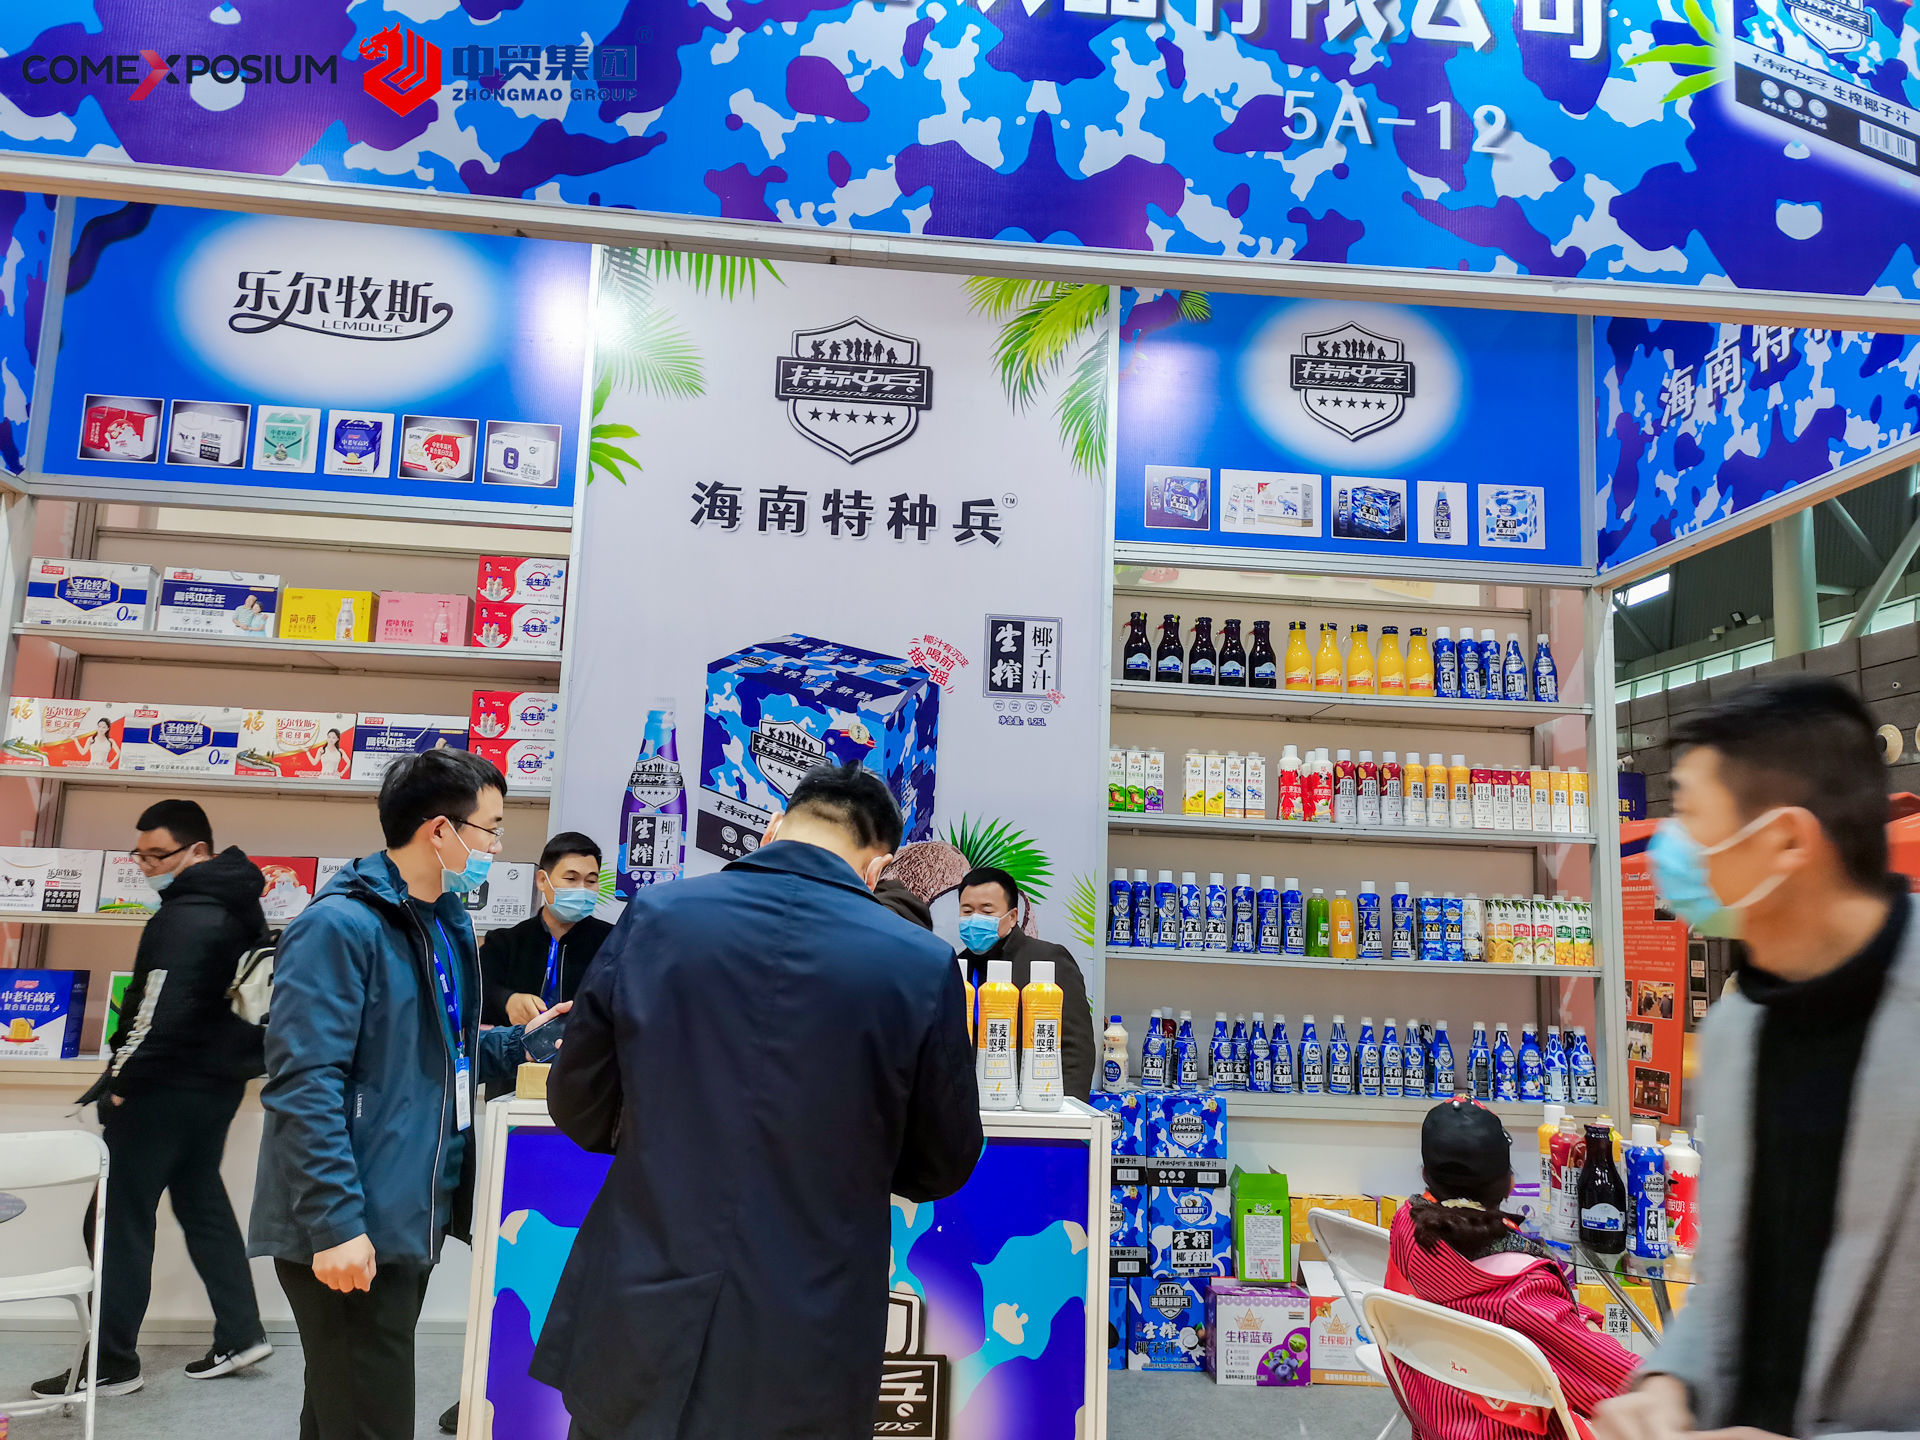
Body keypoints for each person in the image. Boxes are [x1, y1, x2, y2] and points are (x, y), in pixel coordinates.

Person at [532, 762, 981, 1439]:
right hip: (809, 1318)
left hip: (644, 1290)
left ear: (772, 829)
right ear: (878, 868)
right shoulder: (918, 962)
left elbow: (577, 1099)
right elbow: (943, 1160)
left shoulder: (656, 916)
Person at [1598, 675, 1920, 1440]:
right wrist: (1670, 1384)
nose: (1668, 849)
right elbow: (1732, 1280)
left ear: (1786, 841)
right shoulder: (1741, 1027)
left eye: (1690, 817)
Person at [248, 749, 564, 1440]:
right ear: (440, 830)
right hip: (349, 1220)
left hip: (404, 1214)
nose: (496, 846)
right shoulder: (337, 926)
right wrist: (335, 1224)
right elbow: (304, 1085)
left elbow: (444, 1055)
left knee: (340, 1410)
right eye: (490, 829)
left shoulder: (443, 922)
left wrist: (527, 1042)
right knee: (370, 1415)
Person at [33, 801, 272, 1399]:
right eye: (138, 856)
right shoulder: (240, 904)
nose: (146, 868)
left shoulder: (185, 916)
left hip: (161, 1088)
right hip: (217, 1085)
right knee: (201, 1201)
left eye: (158, 856)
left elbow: (152, 1012)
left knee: (116, 1219)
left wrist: (119, 1082)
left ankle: (111, 1363)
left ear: (197, 851)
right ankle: (241, 1332)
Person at [1386, 1100, 1638, 1440]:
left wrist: (1574, 1316)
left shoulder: (1406, 1226)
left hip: (1438, 1414)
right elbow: (1611, 1379)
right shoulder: (1520, 1290)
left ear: (1425, 1174)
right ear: (1509, 1183)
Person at [956, 866, 1096, 1100]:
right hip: (969, 1107)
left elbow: (1076, 1047)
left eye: (986, 911)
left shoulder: (1048, 960)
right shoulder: (957, 967)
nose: (974, 920)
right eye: (967, 911)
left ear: (1012, 917)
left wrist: (1066, 1108)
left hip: (1034, 1105)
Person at [479, 831, 613, 1025]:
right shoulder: (504, 942)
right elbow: (476, 992)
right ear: (542, 880)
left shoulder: (613, 942)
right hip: (519, 1042)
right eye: (571, 879)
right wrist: (507, 1001)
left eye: (591, 881)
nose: (582, 889)